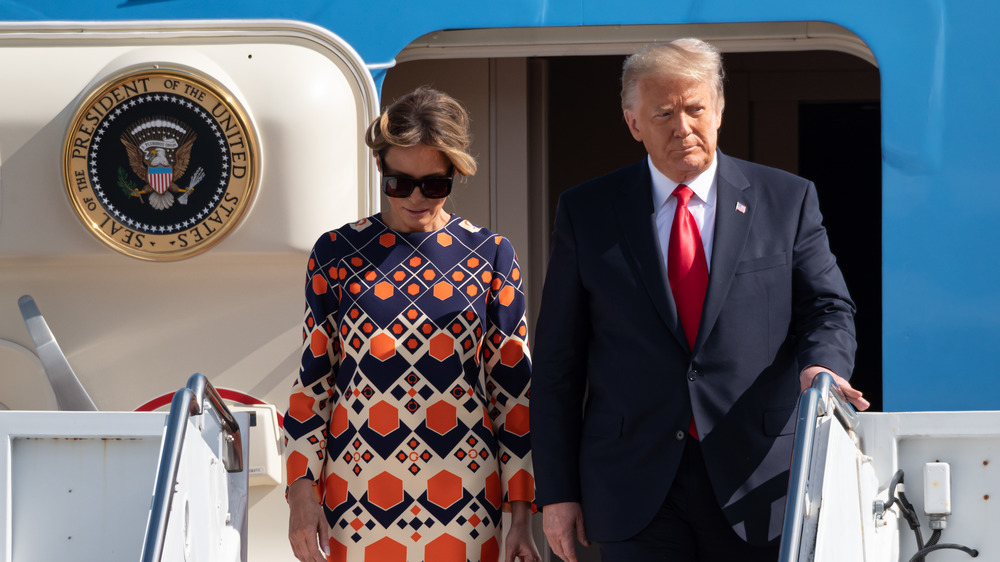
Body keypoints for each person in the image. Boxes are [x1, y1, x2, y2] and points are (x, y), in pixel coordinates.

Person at [530, 38, 869, 562]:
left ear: (720, 110)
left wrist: (821, 366)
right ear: (633, 123)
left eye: (695, 109)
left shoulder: (786, 200)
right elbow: (557, 362)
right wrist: (556, 491)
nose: (682, 127)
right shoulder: (587, 211)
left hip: (757, 480)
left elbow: (828, 307)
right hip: (631, 484)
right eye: (663, 113)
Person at [284, 86, 539, 562]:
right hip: (354, 497)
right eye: (399, 183)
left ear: (454, 176)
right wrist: (301, 494)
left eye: (433, 184)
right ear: (380, 170)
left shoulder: (491, 255)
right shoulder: (336, 253)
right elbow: (312, 385)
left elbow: (513, 395)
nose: (416, 197)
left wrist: (521, 517)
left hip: (465, 497)